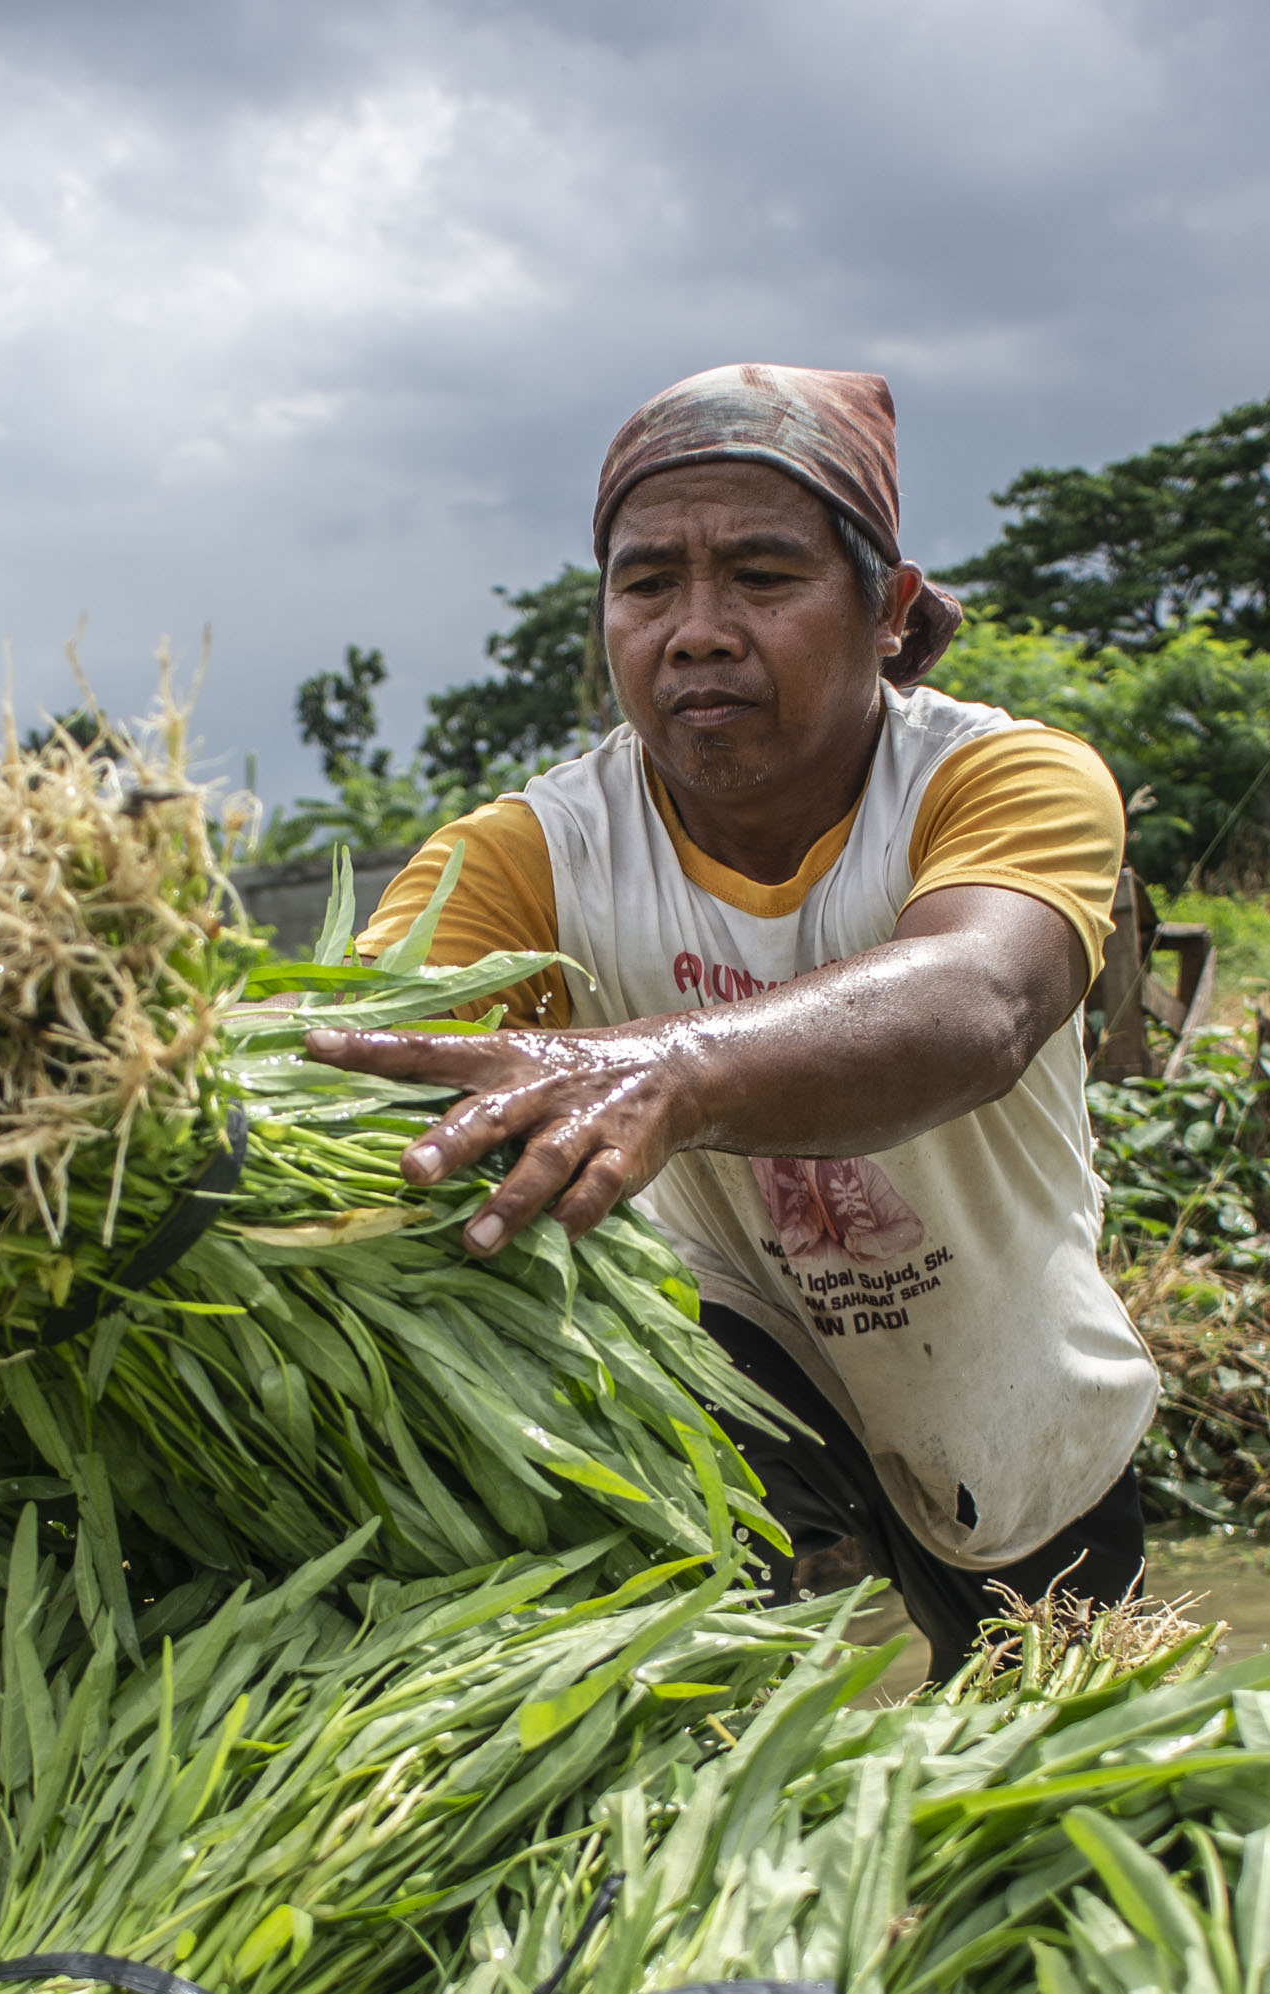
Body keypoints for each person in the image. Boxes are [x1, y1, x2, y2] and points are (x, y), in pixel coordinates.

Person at [308, 362, 1160, 1673]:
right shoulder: (535, 857)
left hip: (1006, 1385)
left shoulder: (998, 781)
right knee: (711, 1749)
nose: (695, 630)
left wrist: (669, 1067)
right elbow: (358, 1051)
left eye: (762, 580)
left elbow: (981, 1001)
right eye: (648, 586)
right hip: (726, 1355)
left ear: (890, 609)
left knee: (1068, 1774)